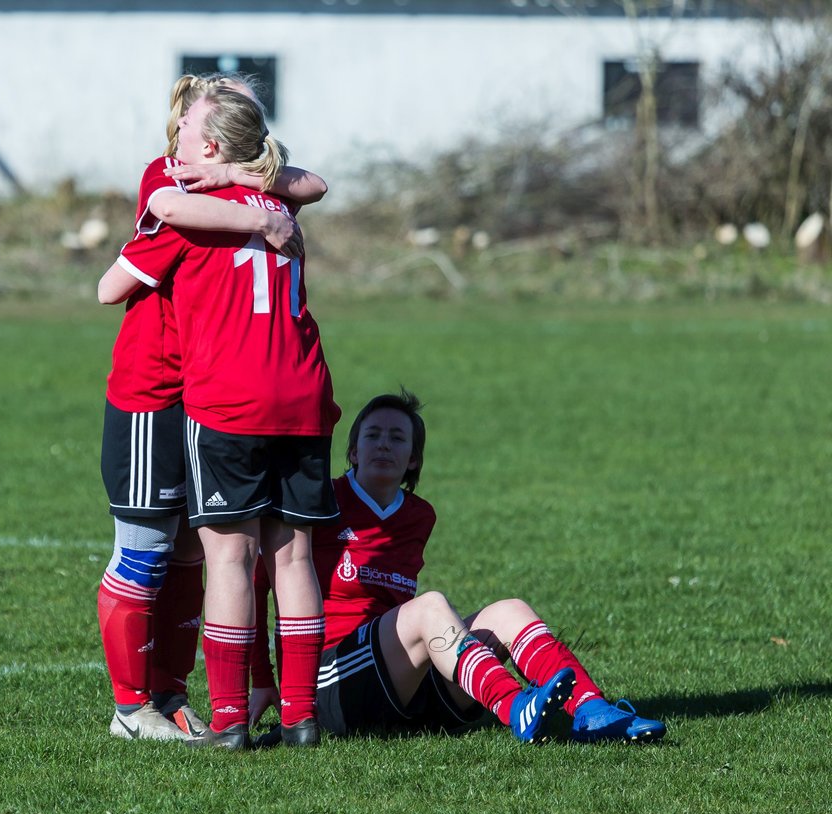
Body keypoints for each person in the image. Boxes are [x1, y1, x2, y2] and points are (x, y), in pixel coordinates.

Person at [100, 86, 341, 750]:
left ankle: (226, 717)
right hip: (300, 395)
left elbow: (110, 283)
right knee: (289, 560)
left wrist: (223, 196)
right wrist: (258, 207)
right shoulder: (277, 201)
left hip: (224, 399)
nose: (174, 138)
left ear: (210, 146)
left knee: (223, 557)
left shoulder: (192, 209)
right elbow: (309, 183)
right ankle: (299, 715)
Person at [250, 389, 667, 745]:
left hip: (401, 688)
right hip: (328, 682)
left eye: (397, 438)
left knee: (509, 610)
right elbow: (258, 582)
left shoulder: (419, 516)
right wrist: (263, 679)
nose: (383, 445)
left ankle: (594, 712)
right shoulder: (320, 501)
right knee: (428, 608)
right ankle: (512, 705)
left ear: (413, 459)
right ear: (353, 451)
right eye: (372, 435)